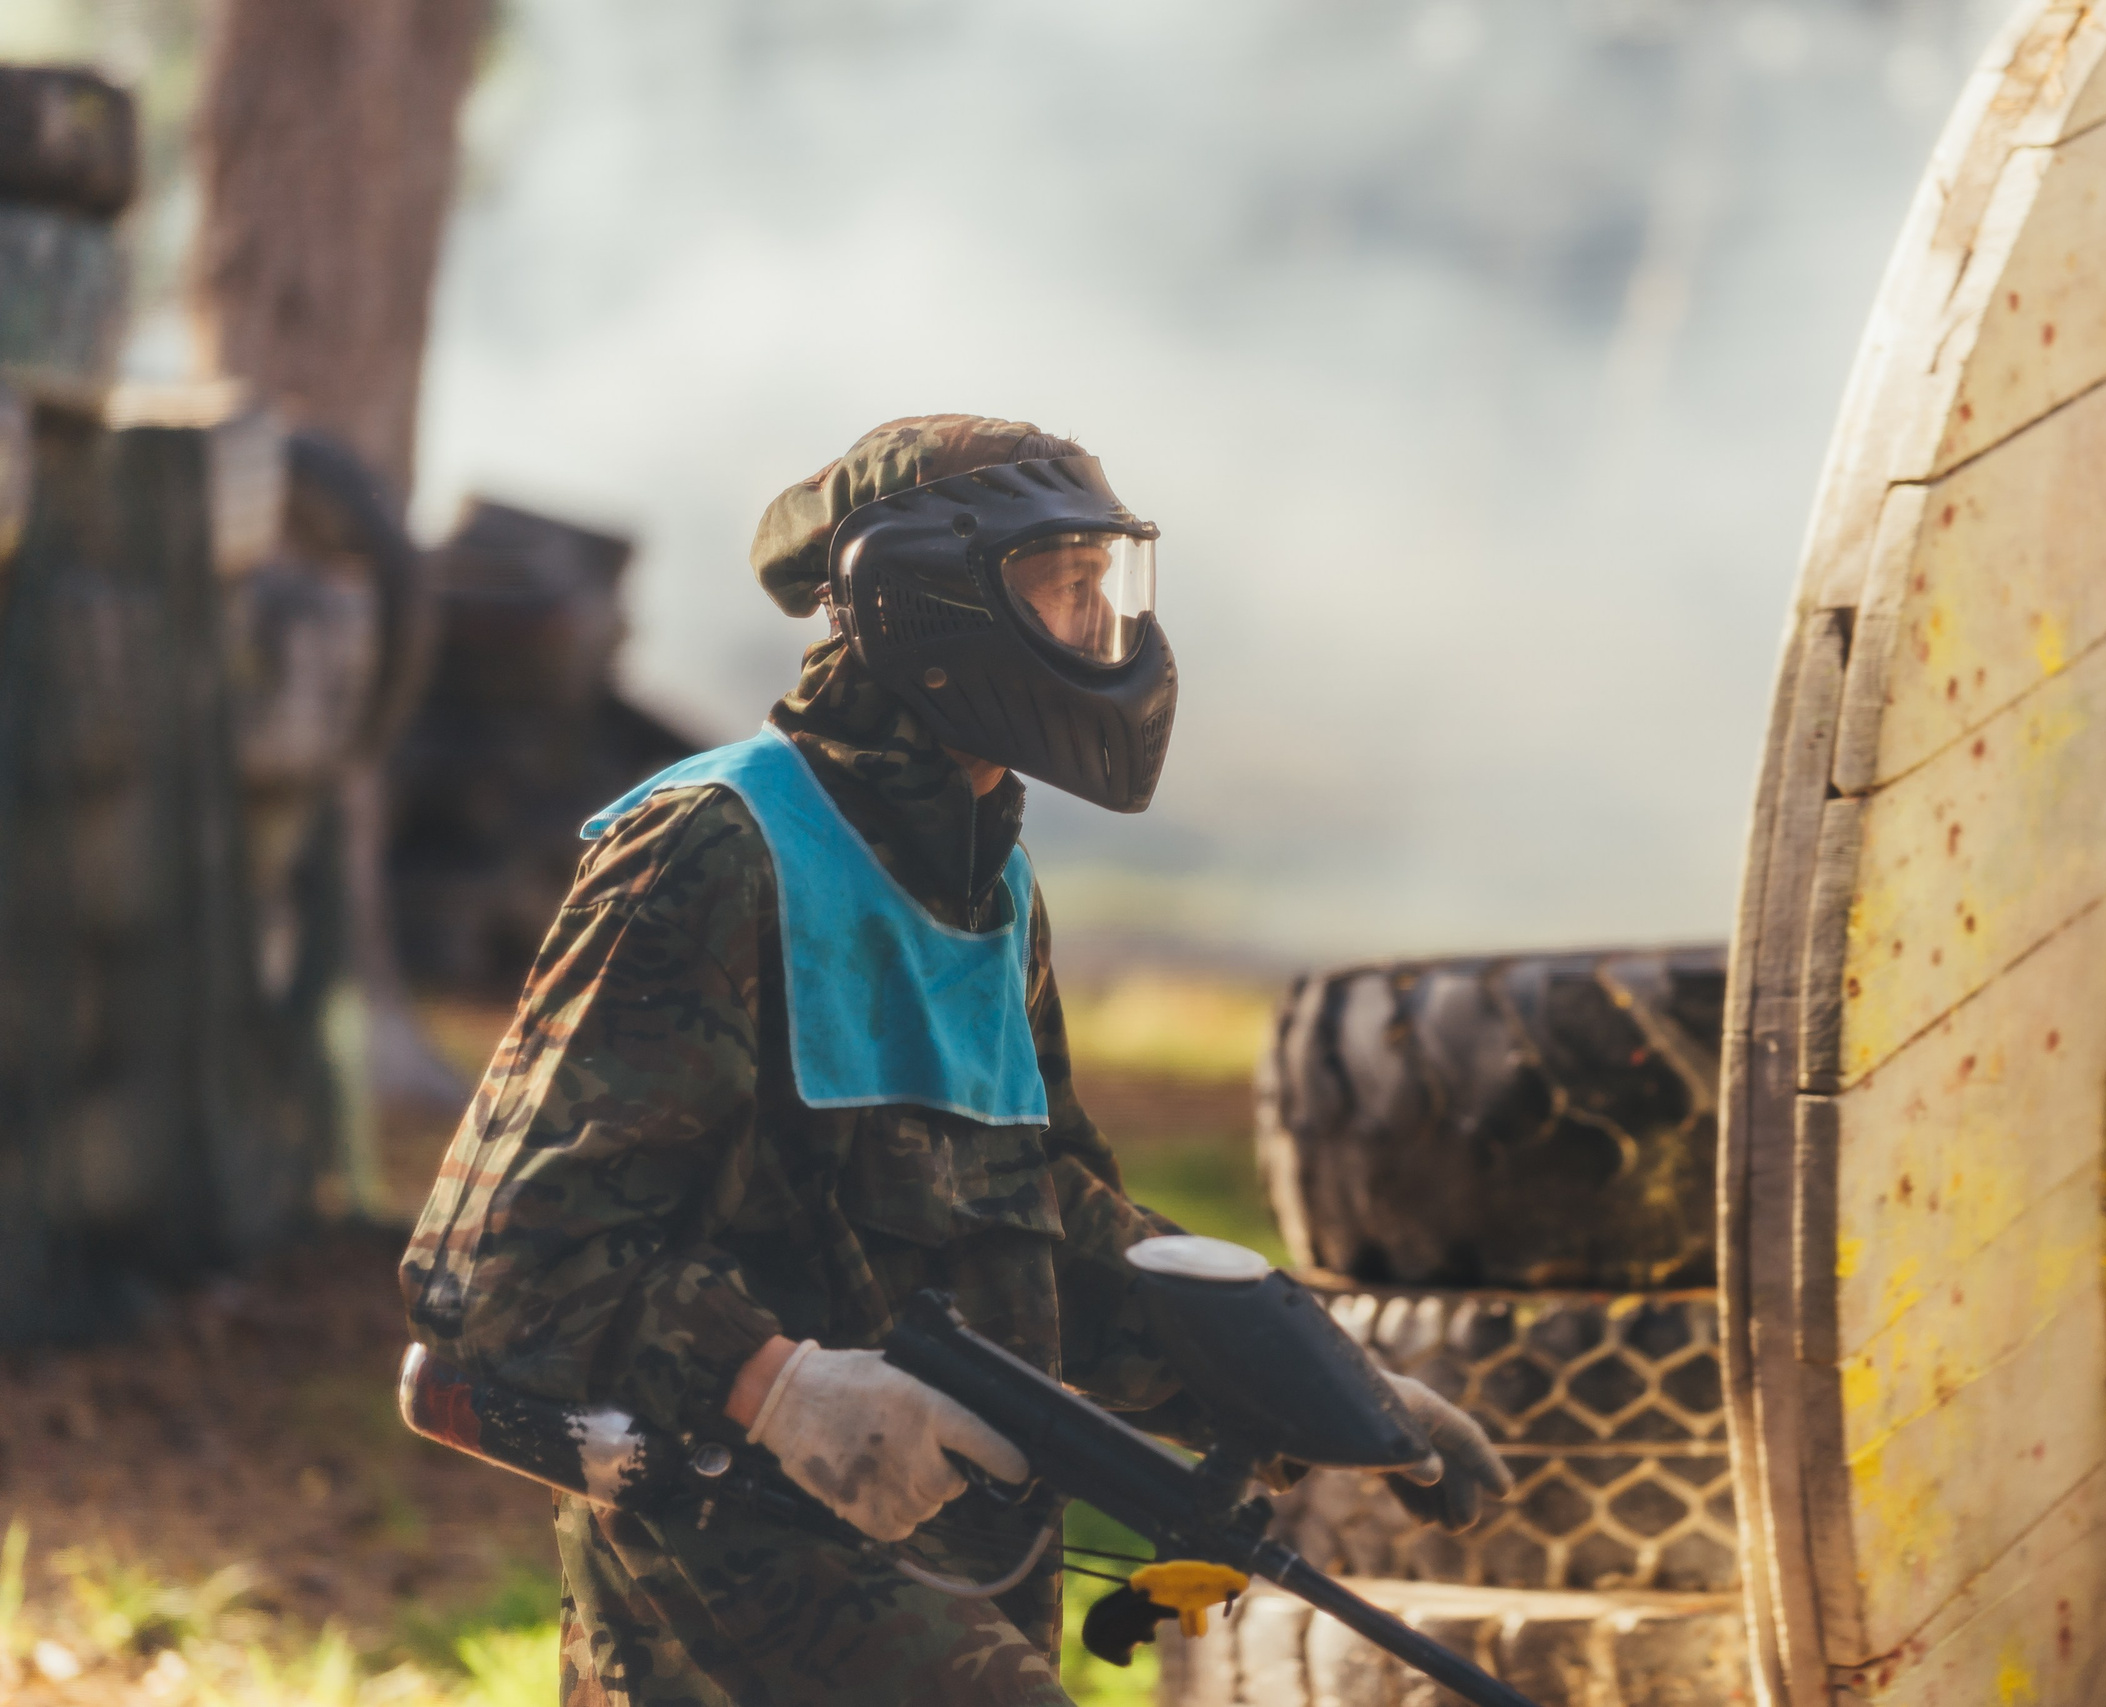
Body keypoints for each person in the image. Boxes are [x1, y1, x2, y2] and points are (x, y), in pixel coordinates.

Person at [398, 415, 1512, 1707]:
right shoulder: (712, 849)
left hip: (966, 1555)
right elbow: (505, 1265)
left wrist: (1317, 1380)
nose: (1104, 634)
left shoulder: (986, 881)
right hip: (736, 1553)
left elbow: (1044, 1214)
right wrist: (777, 1389)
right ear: (924, 606)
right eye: (1064, 591)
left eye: (1110, 588)